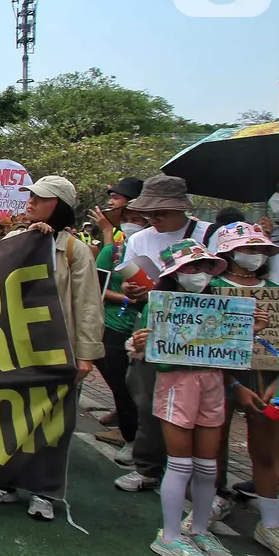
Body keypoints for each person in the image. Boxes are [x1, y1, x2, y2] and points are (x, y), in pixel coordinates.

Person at [129, 239, 268, 556]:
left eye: (205, 267)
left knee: (207, 465)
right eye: (192, 267)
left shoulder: (221, 304)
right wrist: (140, 344)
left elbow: (224, 352)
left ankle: (200, 529)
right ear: (176, 273)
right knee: (179, 463)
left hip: (213, 386)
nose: (200, 274)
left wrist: (250, 331)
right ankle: (171, 534)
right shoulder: (158, 305)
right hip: (176, 386)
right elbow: (144, 352)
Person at [0, 175, 103, 520]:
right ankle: (2, 482)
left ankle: (42, 491)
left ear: (58, 206)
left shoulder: (75, 250)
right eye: (30, 196)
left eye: (40, 198)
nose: (30, 202)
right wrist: (25, 239)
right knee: (9, 415)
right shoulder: (18, 239)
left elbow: (88, 304)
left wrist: (86, 355)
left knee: (52, 423)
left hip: (55, 351)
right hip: (14, 347)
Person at [116, 174, 221, 494]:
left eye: (160, 213)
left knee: (208, 407)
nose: (153, 220)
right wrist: (131, 288)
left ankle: (210, 482)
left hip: (206, 331)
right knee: (147, 396)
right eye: (149, 214)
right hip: (152, 323)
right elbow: (133, 286)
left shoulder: (210, 235)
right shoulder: (140, 239)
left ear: (182, 210)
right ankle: (147, 467)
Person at [206, 223, 279, 556]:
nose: (254, 256)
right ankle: (213, 499)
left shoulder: (278, 292)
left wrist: (277, 381)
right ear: (229, 252)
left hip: (265, 381)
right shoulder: (211, 291)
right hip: (219, 379)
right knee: (212, 444)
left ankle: (270, 524)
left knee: (266, 450)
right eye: (248, 249)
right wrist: (234, 385)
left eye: (261, 250)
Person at [93, 195, 151, 458]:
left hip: (147, 327)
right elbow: (97, 288)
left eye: (136, 219)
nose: (130, 224)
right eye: (125, 219)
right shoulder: (111, 252)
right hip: (115, 326)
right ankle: (130, 439)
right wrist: (128, 297)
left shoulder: (158, 252)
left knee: (146, 391)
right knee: (122, 386)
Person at [258, 172, 279, 287]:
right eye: (277, 190)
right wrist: (262, 239)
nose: (277, 195)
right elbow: (256, 270)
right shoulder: (277, 231)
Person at [88, 177, 144, 247]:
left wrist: (107, 230)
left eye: (115, 198)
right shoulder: (116, 229)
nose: (110, 202)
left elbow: (110, 256)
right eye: (124, 220)